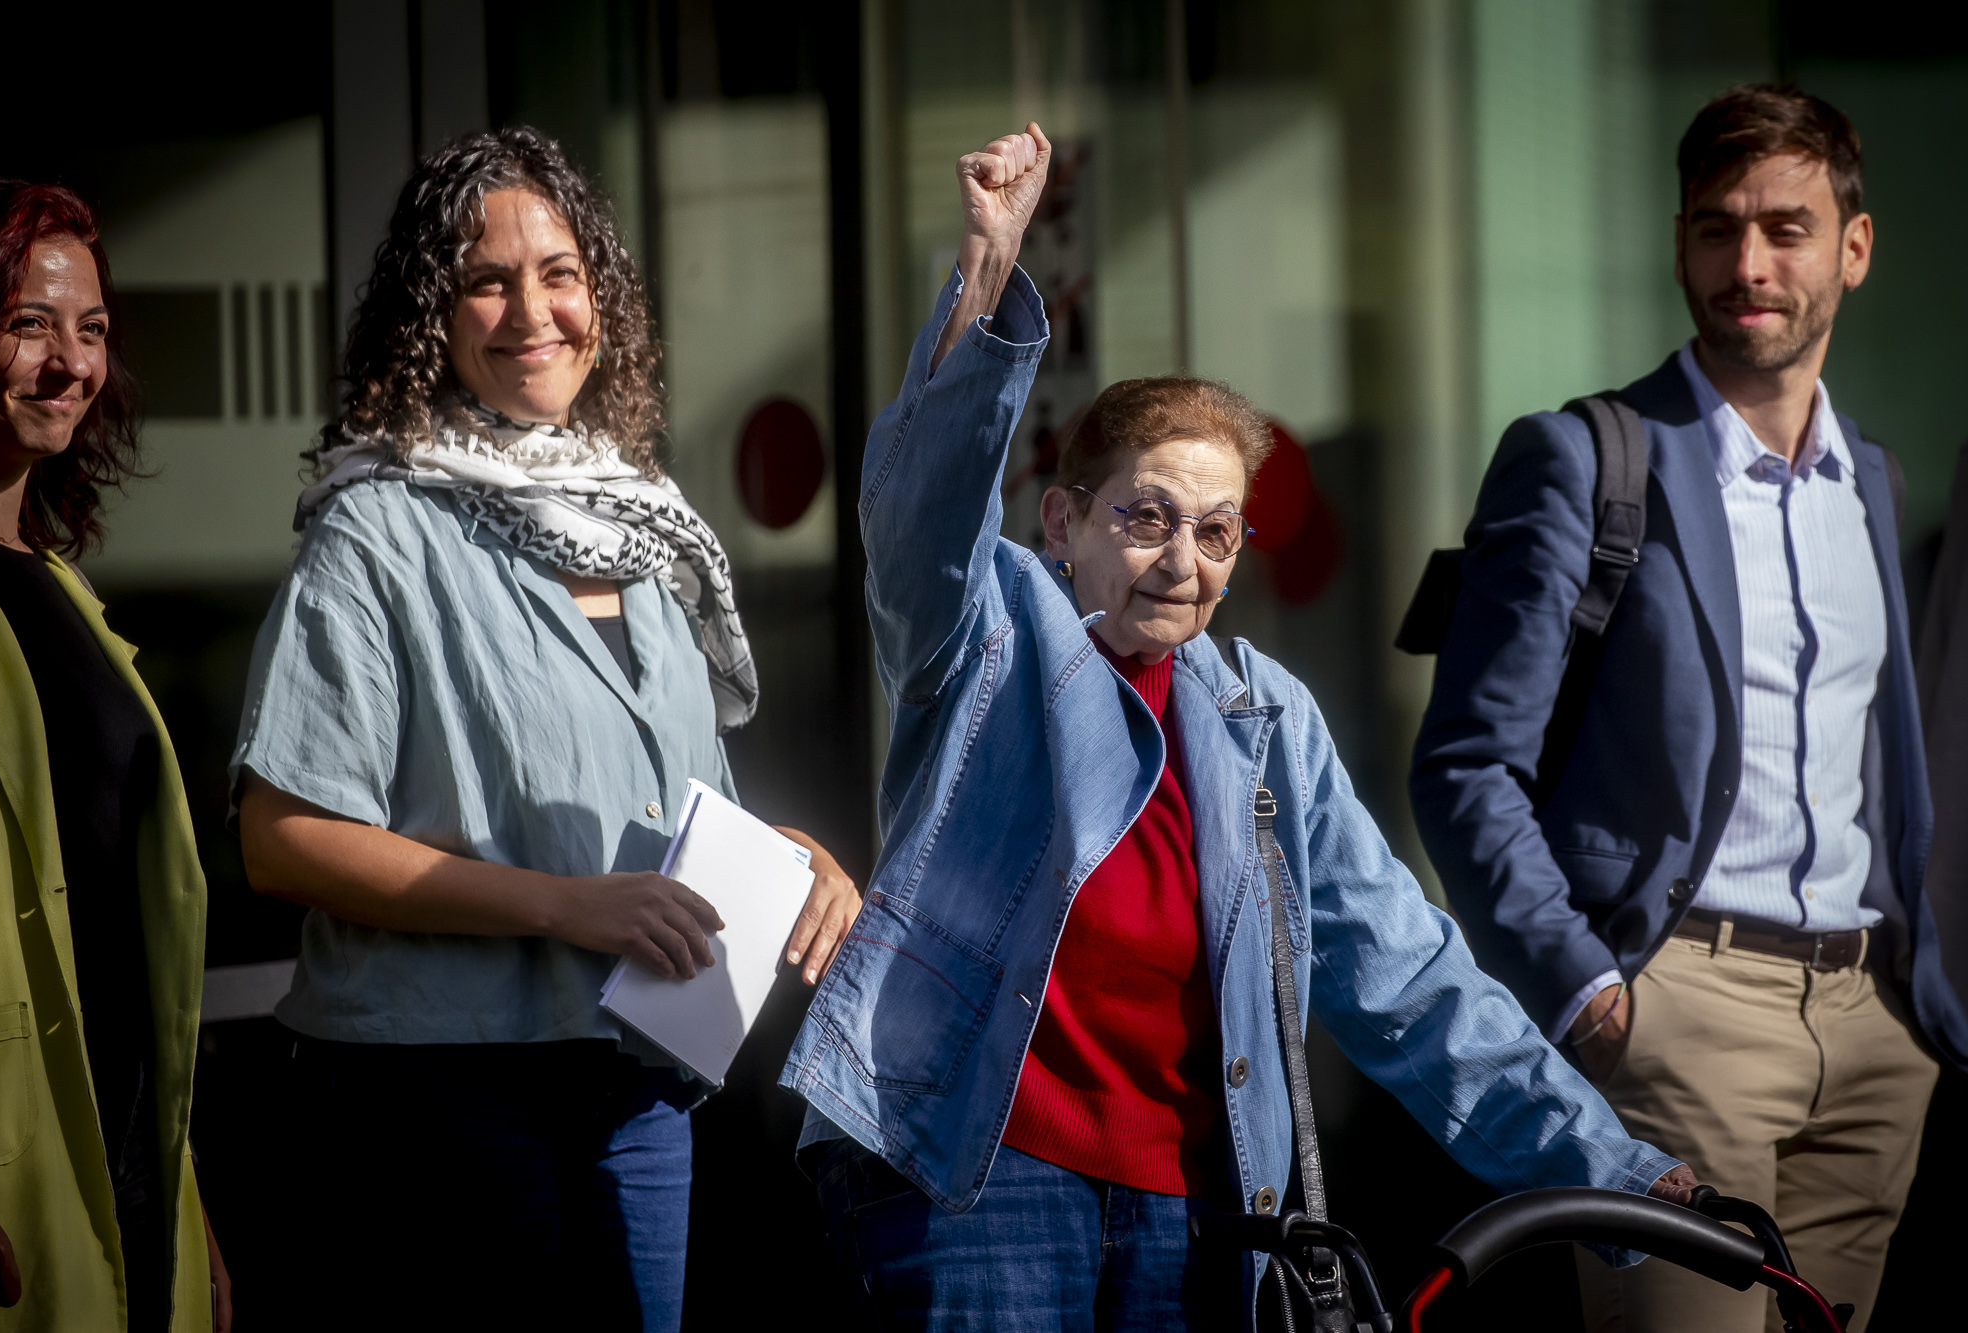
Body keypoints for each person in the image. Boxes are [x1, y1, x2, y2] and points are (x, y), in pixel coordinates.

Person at [779, 122, 1695, 1332]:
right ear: (1061, 520)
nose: (1182, 559)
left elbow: (1405, 976)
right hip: (976, 1188)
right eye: (1146, 515)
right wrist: (990, 273)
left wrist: (1608, 1164)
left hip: (1193, 1215)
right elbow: (918, 519)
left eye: (1216, 532)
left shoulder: (1259, 715)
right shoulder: (990, 632)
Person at [230, 128, 861, 1331]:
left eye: (560, 272)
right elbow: (283, 839)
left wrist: (799, 864)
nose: (534, 309)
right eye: (487, 278)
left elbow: (674, 815)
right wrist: (562, 903)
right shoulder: (374, 530)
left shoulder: (642, 533)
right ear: (436, 316)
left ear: (602, 299)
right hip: (441, 1091)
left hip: (636, 1085)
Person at [1410, 85, 1967, 1333]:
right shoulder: (1582, 457)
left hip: (1870, 1031)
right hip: (1677, 1015)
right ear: (1677, 244)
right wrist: (1587, 997)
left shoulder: (1865, 479)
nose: (1747, 263)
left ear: (1854, 249)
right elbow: (1461, 765)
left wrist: (1917, 998)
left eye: (1786, 227)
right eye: (1716, 228)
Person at [0, 181, 229, 1331]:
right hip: (4, 1165)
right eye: (28, 322)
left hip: (126, 1156)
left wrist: (192, 1210)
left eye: (91, 329)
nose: (69, 362)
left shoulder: (60, 586)